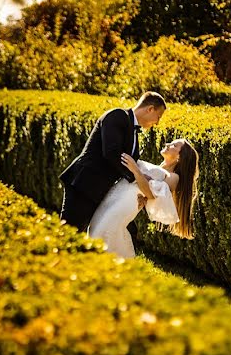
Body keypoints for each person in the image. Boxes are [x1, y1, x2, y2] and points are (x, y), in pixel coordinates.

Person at [58, 91, 167, 248]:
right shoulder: (117, 116)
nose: (157, 122)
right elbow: (111, 153)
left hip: (100, 189)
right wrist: (138, 176)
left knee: (106, 233)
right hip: (85, 182)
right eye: (158, 116)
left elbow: (130, 163)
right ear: (150, 109)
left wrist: (141, 182)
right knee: (69, 232)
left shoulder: (134, 130)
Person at [87, 138, 200, 258]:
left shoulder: (174, 177)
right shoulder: (160, 168)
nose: (168, 144)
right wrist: (146, 198)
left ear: (179, 157)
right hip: (116, 197)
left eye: (174, 145)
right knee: (98, 227)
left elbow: (153, 193)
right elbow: (150, 192)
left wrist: (135, 169)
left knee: (103, 231)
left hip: (123, 205)